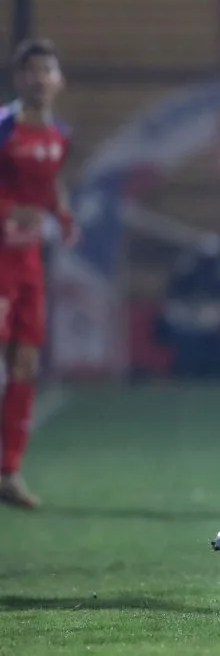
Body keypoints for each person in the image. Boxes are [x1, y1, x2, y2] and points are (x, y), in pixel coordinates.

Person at [0, 38, 77, 508]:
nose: (38, 78)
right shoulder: (4, 127)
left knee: (26, 364)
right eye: (30, 70)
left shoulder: (59, 134)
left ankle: (8, 470)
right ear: (18, 78)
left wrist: (63, 215)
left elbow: (52, 187)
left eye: (46, 70)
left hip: (28, 264)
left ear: (58, 80)